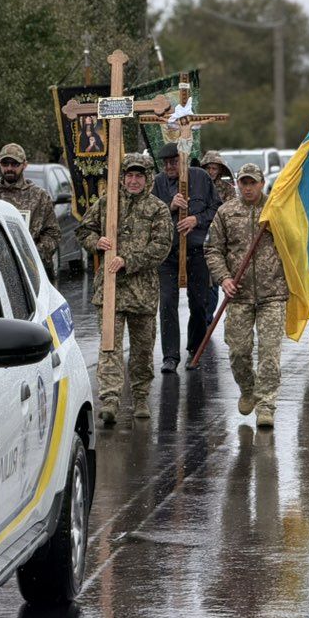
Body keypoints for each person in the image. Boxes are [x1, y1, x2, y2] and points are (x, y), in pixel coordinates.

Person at [76, 153, 173, 424]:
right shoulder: (108, 204)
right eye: (129, 175)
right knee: (109, 346)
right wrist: (98, 242)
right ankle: (109, 399)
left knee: (142, 349)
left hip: (142, 291)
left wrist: (128, 260)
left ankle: (141, 396)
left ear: (147, 179)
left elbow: (161, 247)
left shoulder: (157, 209)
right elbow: (84, 230)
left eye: (139, 176)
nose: (133, 181)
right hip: (110, 289)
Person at [205, 163, 289, 429]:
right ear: (238, 184)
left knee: (269, 354)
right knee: (239, 352)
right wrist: (224, 278)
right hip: (239, 295)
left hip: (272, 293)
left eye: (253, 182)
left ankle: (266, 405)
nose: (248, 187)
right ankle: (248, 388)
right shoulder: (226, 212)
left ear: (262, 183)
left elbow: (295, 243)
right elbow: (213, 250)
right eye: (244, 182)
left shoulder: (276, 210)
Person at [152, 141, 221, 373]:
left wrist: (196, 220)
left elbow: (217, 209)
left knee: (199, 303)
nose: (170, 167)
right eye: (166, 163)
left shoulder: (201, 177)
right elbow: (149, 214)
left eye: (174, 162)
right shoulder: (158, 183)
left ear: (182, 159)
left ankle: (195, 349)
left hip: (197, 252)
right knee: (168, 303)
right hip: (168, 254)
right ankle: (170, 356)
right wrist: (169, 206)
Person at [0, 143, 60, 274]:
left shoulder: (39, 196)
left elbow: (53, 234)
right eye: (5, 164)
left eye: (15, 164)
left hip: (29, 273)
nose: (9, 168)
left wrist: (33, 253)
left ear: (24, 165)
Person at [200, 150, 235, 325]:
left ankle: (208, 318)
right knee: (201, 282)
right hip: (199, 236)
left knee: (214, 281)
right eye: (208, 168)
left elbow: (230, 214)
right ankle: (202, 318)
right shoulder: (196, 186)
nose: (211, 171)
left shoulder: (227, 190)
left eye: (215, 168)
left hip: (220, 239)